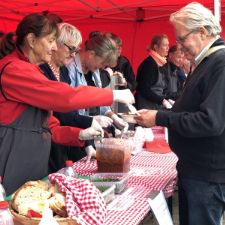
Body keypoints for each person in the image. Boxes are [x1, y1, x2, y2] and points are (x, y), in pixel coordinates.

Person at [0, 13, 134, 195]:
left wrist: (79, 134)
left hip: (31, 166)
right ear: (31, 40)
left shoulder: (33, 69)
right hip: (11, 165)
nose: (54, 47)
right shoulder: (14, 70)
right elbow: (66, 98)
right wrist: (111, 95)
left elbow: (50, 127)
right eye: (50, 41)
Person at [135, 2, 225, 225]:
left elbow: (210, 121)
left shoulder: (220, 63)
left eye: (182, 38)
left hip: (207, 174)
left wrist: (160, 117)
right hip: (196, 169)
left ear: (202, 32)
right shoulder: (207, 62)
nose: (179, 45)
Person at [40, 22, 113, 172]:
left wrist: (86, 142)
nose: (74, 54)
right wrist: (89, 122)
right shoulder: (43, 71)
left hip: (62, 139)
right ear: (56, 45)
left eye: (76, 49)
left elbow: (70, 110)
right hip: (46, 143)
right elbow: (62, 109)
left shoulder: (63, 71)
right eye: (71, 49)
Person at [67, 34, 129, 131]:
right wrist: (89, 120)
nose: (102, 67)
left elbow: (100, 101)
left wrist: (112, 116)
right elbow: (68, 107)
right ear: (91, 54)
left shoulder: (95, 71)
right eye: (102, 63)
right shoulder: (70, 69)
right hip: (75, 130)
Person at [135, 34, 172, 110]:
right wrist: (162, 100)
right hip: (146, 107)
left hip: (156, 106)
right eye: (165, 45)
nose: (168, 48)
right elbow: (144, 89)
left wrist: (167, 98)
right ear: (156, 47)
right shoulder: (149, 64)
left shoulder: (162, 63)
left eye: (168, 45)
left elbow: (163, 88)